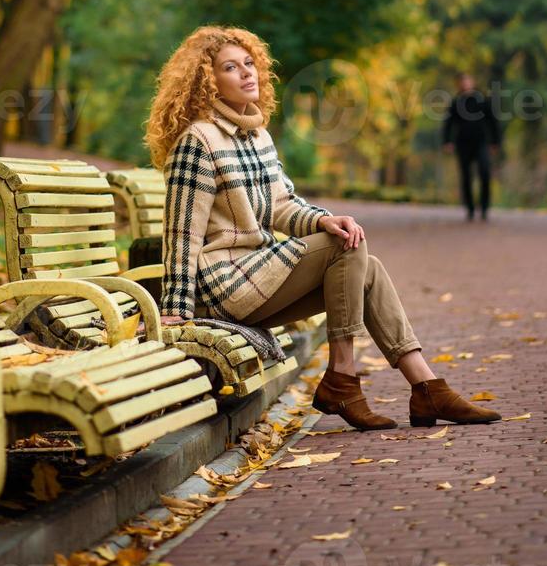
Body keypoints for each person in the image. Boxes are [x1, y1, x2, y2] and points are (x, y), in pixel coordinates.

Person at [144, 26, 502, 431]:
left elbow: (280, 205)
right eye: (230, 67)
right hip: (224, 285)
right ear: (207, 83)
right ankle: (343, 377)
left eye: (249, 64)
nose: (247, 74)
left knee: (366, 265)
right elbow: (182, 234)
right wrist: (176, 312)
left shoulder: (256, 133)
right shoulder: (198, 141)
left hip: (257, 274)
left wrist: (322, 218)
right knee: (343, 247)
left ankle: (427, 387)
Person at [442, 73, 501, 221]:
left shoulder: (483, 101)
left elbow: (493, 122)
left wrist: (495, 142)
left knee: (484, 172)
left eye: (468, 81)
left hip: (481, 143)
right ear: (459, 84)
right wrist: (447, 141)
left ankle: (485, 208)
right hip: (463, 144)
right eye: (463, 82)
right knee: (466, 177)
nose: (466, 84)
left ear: (473, 82)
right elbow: (448, 124)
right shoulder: (456, 103)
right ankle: (470, 209)